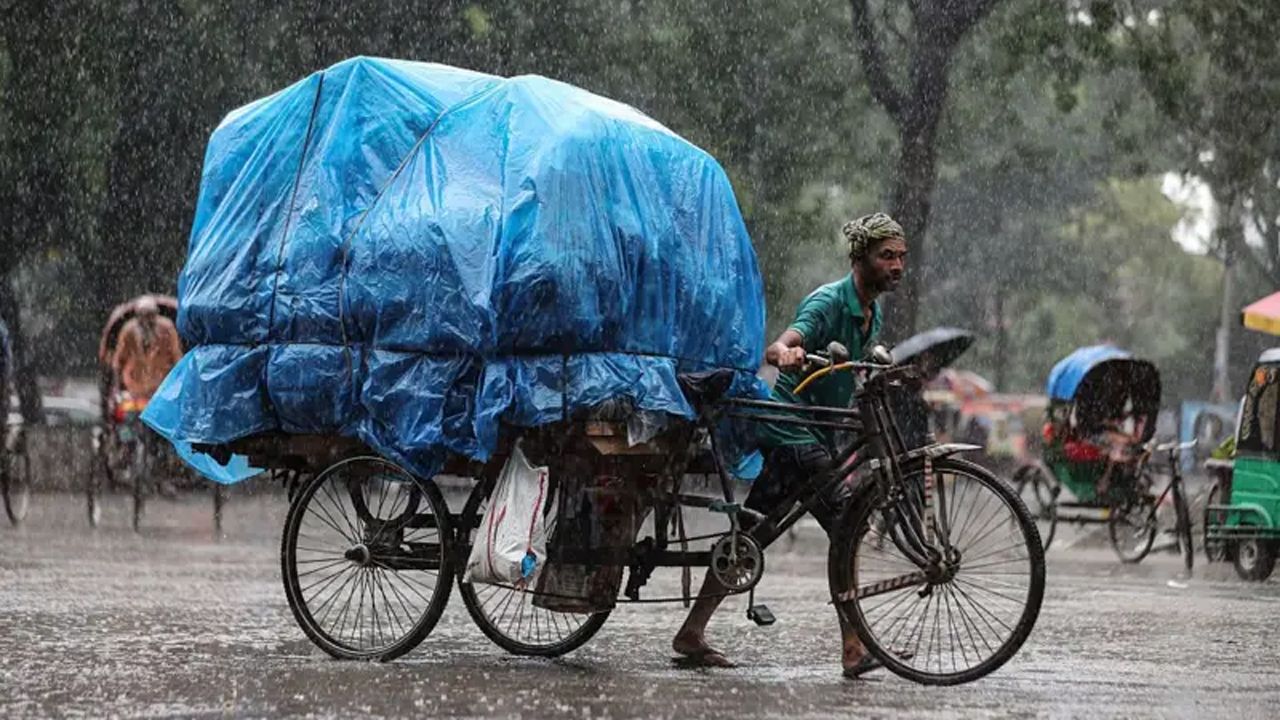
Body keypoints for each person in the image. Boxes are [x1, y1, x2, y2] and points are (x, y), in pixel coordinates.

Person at [671, 212, 907, 679]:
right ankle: (854, 647)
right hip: (790, 428)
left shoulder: (871, 311)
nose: (897, 265)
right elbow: (778, 348)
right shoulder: (827, 303)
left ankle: (691, 632)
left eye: (901, 256)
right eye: (887, 256)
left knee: (753, 536)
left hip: (811, 432)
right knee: (845, 523)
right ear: (860, 258)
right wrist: (788, 354)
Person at [111, 297, 183, 401]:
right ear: (138, 316)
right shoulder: (129, 330)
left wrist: (177, 387)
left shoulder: (166, 329)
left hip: (161, 386)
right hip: (134, 387)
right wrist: (118, 389)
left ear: (156, 315)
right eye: (143, 315)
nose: (147, 320)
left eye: (150, 315)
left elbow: (176, 357)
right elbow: (118, 361)